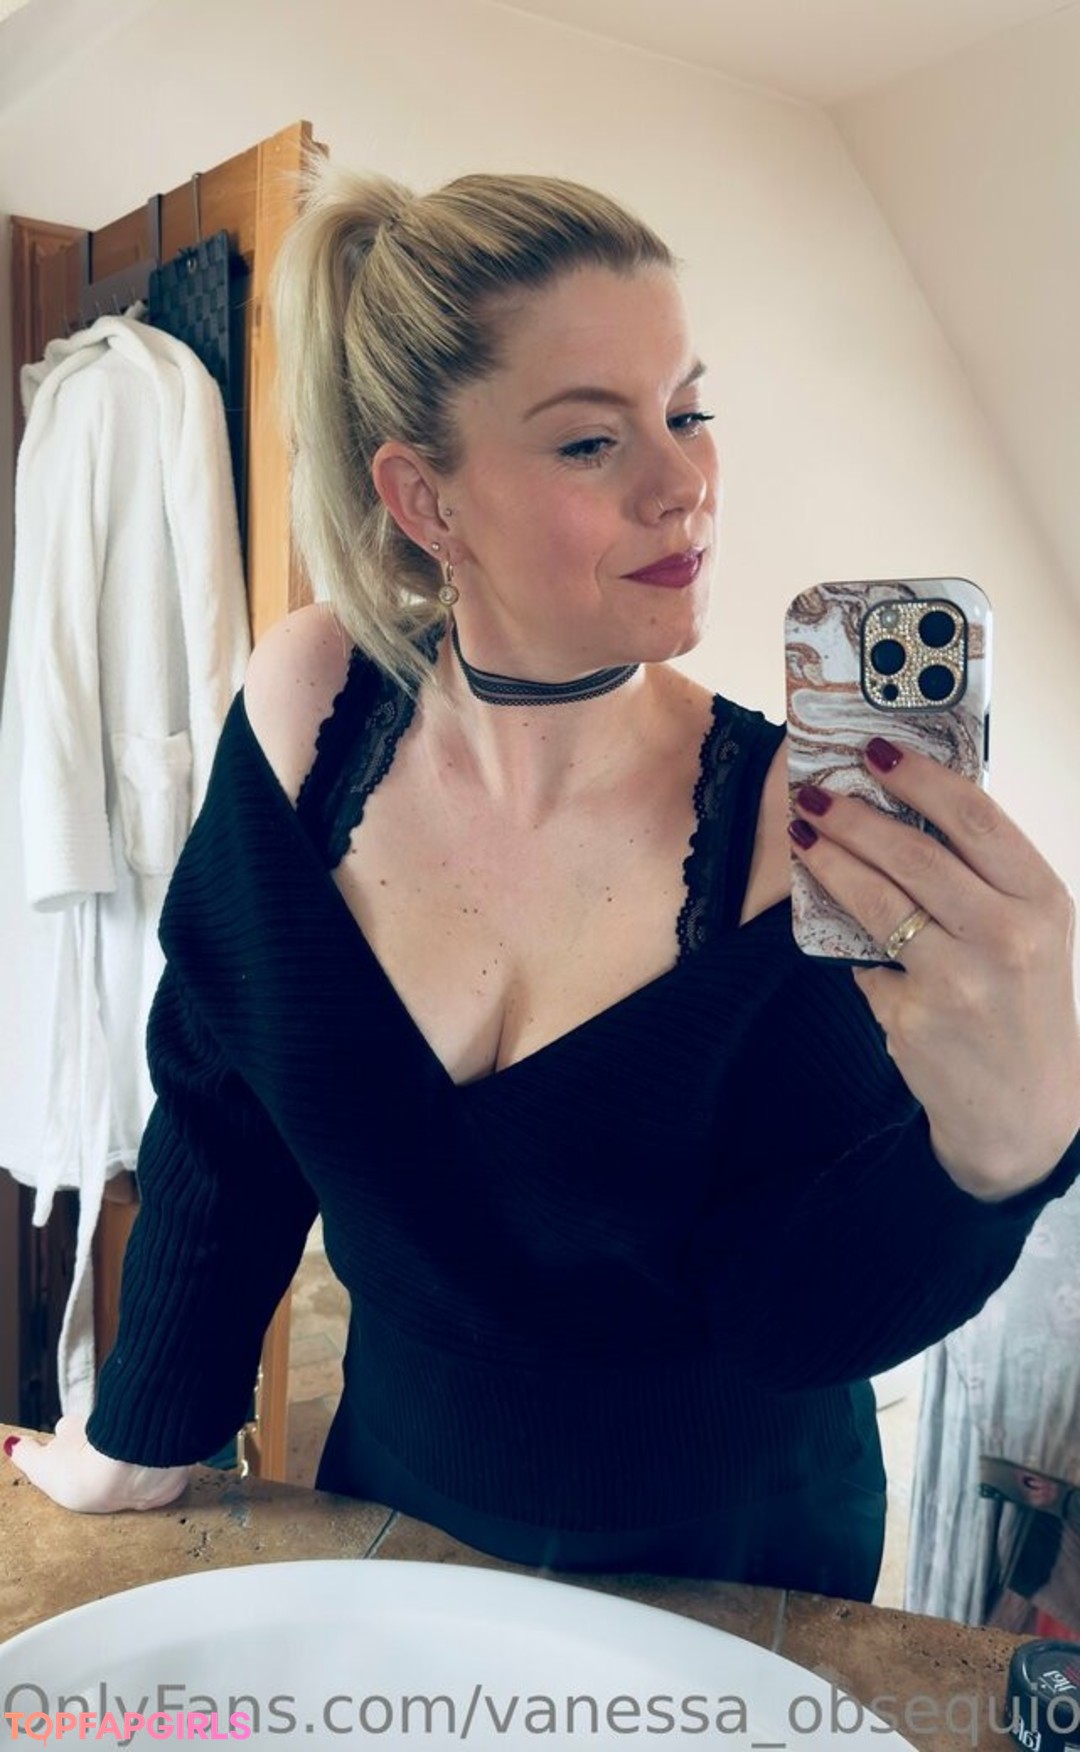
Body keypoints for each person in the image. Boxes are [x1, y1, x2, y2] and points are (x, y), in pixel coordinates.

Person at [7, 159, 1080, 1602]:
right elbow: (223, 1103)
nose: (685, 483)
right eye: (591, 442)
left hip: (732, 1583)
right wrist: (141, 1433)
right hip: (395, 1525)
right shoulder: (311, 710)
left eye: (688, 412)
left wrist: (995, 1158)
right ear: (424, 497)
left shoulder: (806, 831)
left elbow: (796, 1320)